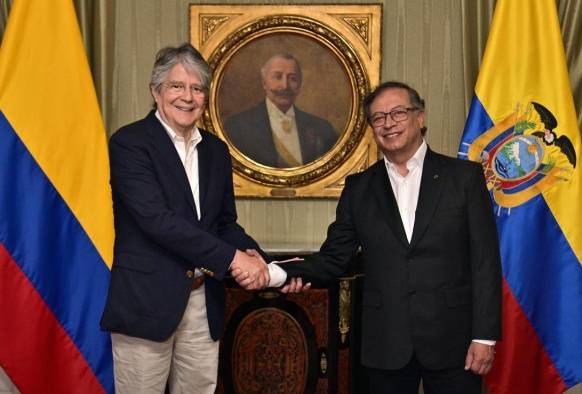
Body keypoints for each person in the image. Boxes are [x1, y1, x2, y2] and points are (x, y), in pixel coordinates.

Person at [238, 81, 502, 393]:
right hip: (385, 344)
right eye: (378, 118)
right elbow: (333, 259)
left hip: (454, 342)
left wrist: (484, 337)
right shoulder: (359, 188)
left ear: (420, 118)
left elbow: (485, 263)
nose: (388, 123)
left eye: (398, 113)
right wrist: (275, 273)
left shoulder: (464, 178)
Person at [100, 43, 270, 394]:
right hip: (147, 302)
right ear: (156, 91)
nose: (187, 97)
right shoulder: (130, 143)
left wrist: (255, 256)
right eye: (177, 86)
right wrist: (232, 258)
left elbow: (223, 223)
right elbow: (157, 221)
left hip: (202, 301)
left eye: (197, 88)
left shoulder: (216, 150)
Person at [223, 53, 338, 168]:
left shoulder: (323, 128)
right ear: (264, 83)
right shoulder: (237, 127)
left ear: (300, 84)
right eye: (277, 77)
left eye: (292, 78)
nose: (285, 86)